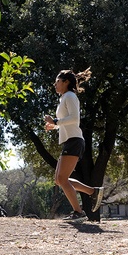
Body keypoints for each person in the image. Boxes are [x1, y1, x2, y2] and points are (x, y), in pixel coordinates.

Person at [43, 69, 102, 221]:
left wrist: (55, 121)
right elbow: (66, 121)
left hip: (75, 140)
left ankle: (78, 212)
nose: (55, 84)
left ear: (66, 82)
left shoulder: (70, 96)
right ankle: (92, 191)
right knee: (59, 179)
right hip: (71, 140)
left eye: (57, 81)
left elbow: (74, 119)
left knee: (62, 179)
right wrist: (54, 126)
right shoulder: (64, 98)